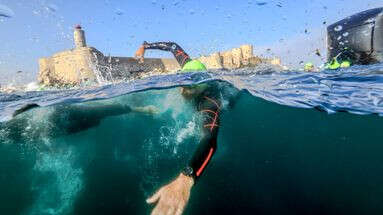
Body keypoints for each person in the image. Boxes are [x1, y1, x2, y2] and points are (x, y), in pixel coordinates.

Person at [135, 41, 221, 215]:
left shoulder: (209, 101)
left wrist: (187, 177)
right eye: (181, 84)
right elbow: (172, 46)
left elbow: (210, 139)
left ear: (200, 87)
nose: (182, 92)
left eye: (189, 88)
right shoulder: (188, 64)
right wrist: (146, 46)